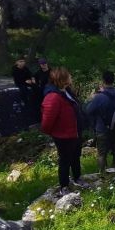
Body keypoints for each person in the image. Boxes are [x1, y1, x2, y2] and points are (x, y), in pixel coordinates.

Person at [40, 67, 90, 195]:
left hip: (75, 133)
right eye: (69, 76)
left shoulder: (67, 91)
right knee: (65, 161)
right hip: (63, 135)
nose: (71, 77)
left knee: (75, 157)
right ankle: (64, 186)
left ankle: (77, 178)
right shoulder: (53, 96)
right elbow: (47, 119)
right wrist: (53, 132)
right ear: (62, 79)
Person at [85, 71, 115, 175]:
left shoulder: (99, 97)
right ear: (113, 80)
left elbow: (88, 110)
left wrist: (92, 99)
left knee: (102, 153)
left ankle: (103, 174)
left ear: (103, 81)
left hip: (102, 128)